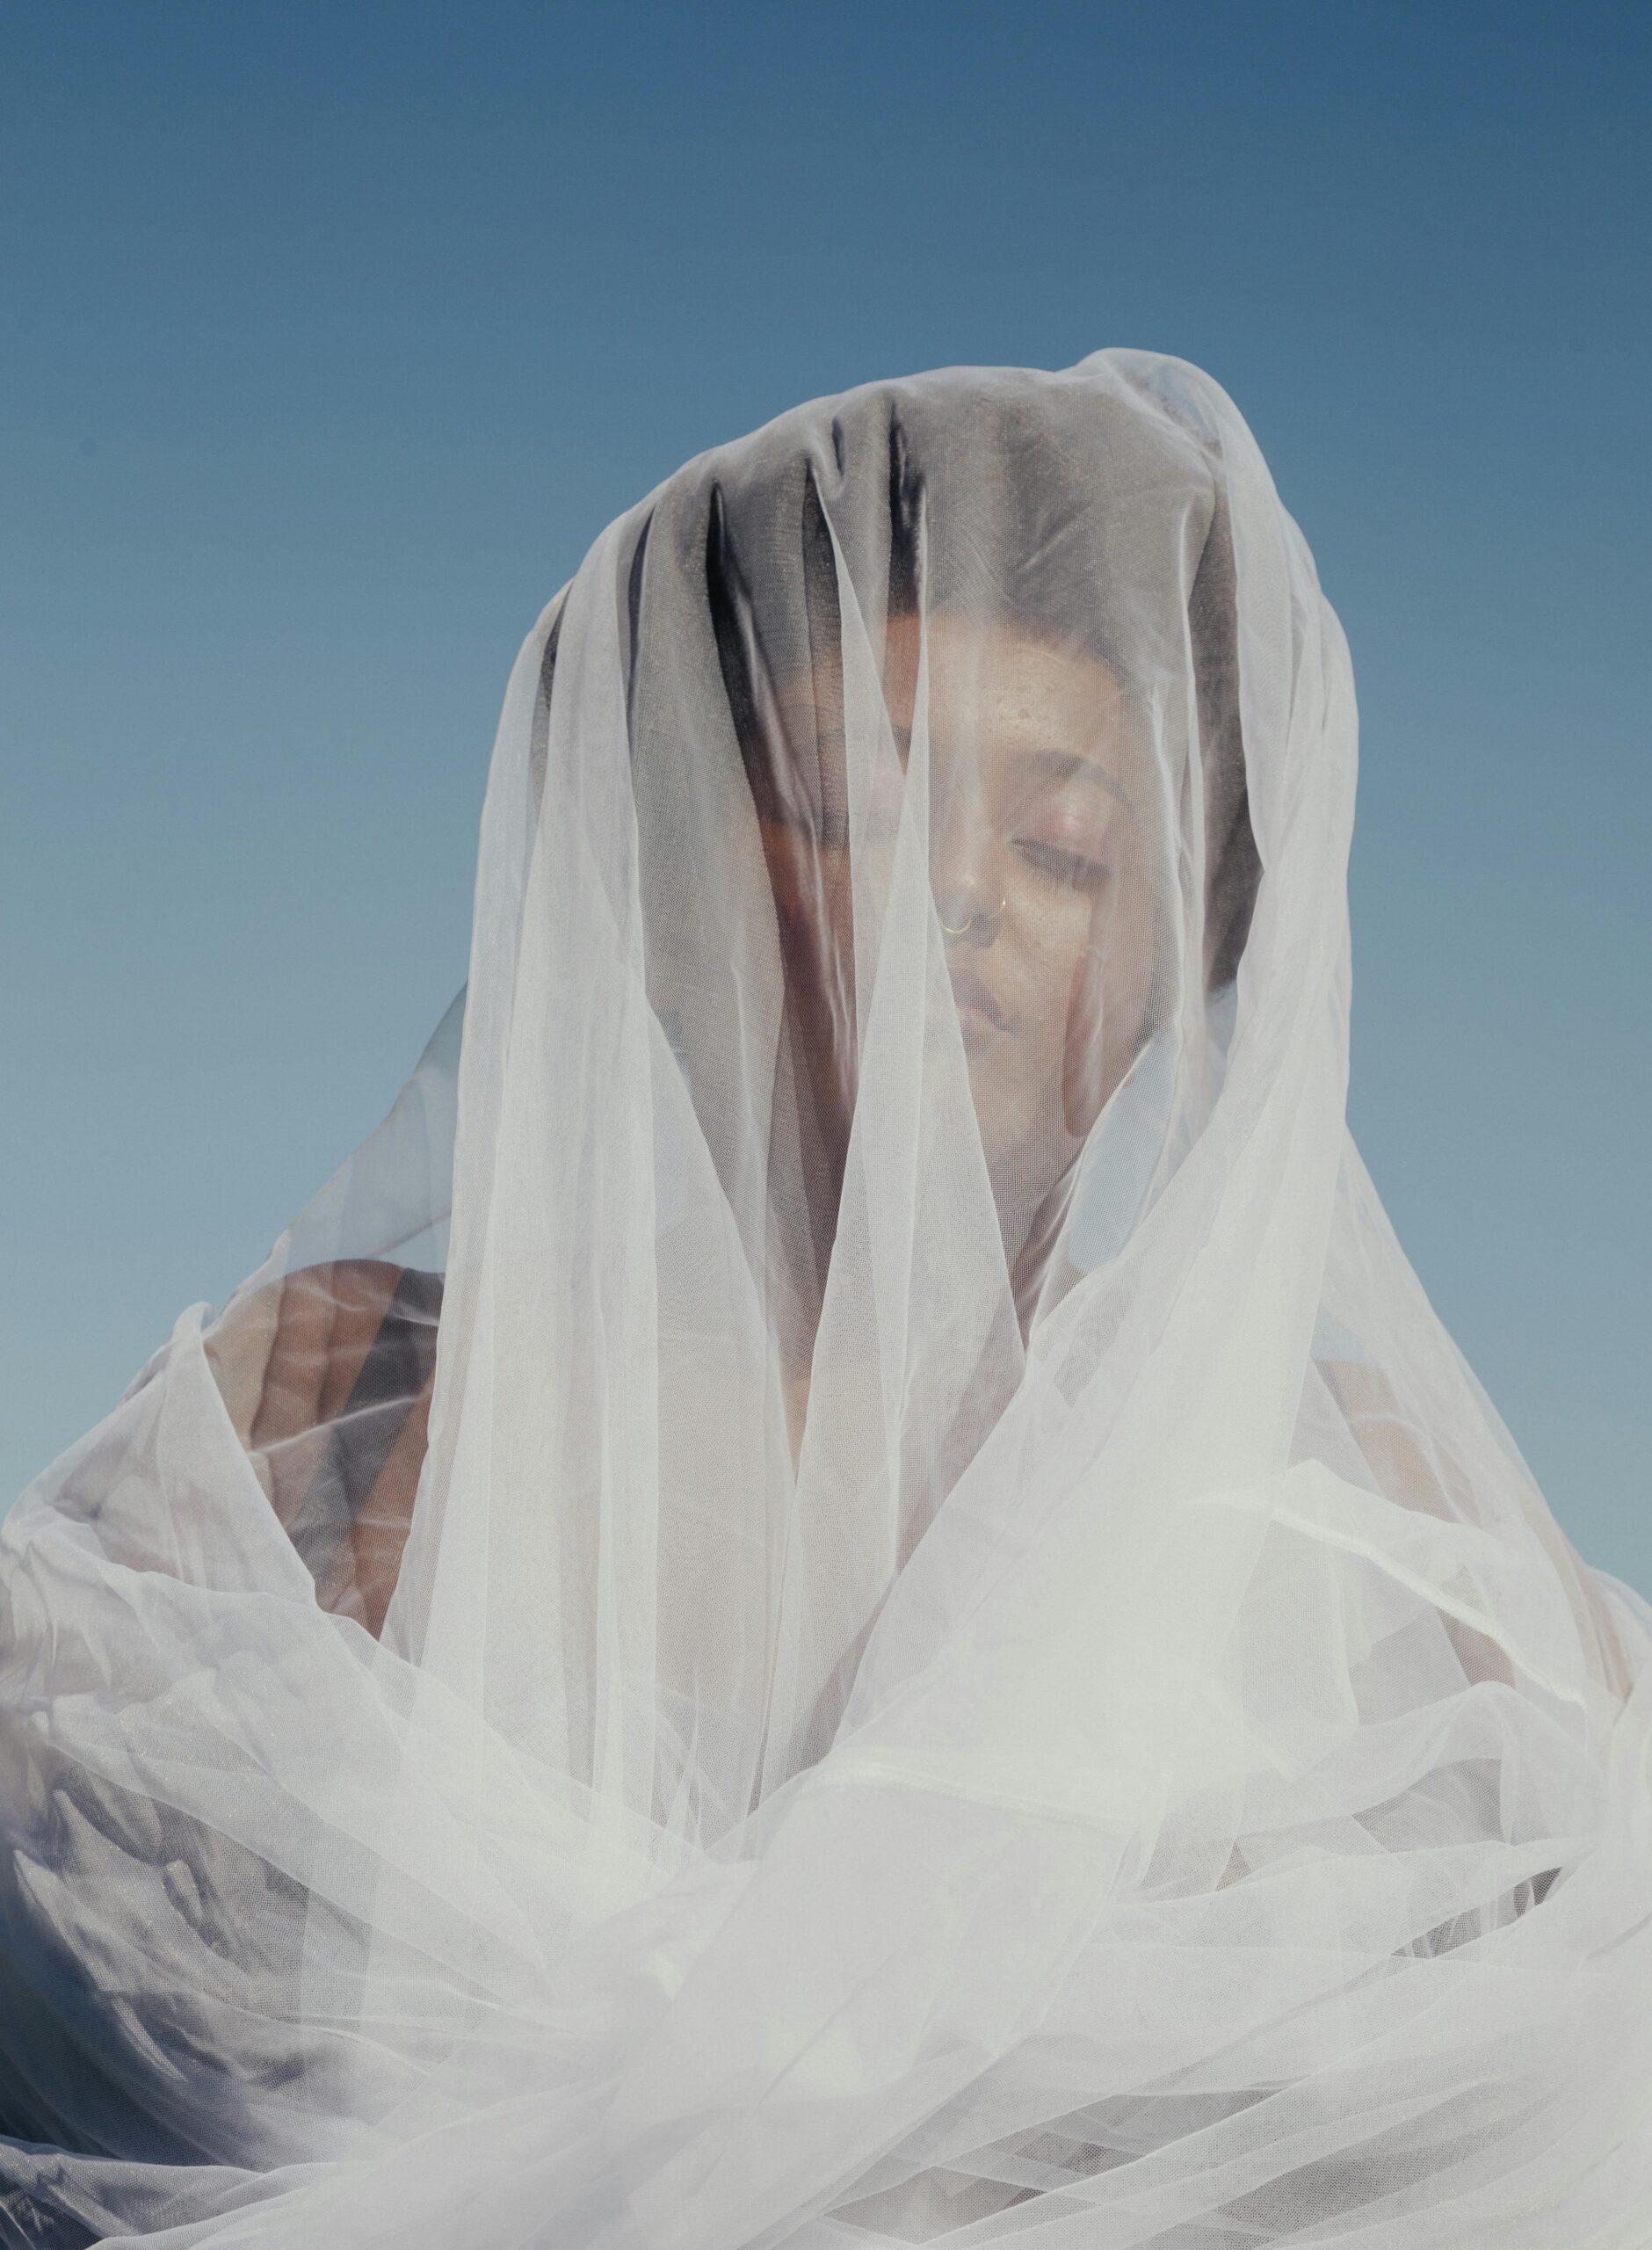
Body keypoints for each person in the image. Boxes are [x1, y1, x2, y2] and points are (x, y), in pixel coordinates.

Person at [1, 352, 1648, 2246]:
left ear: (1175, 952)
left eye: (1061, 843)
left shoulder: (1387, 1539)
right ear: (672, 878)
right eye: (855, 813)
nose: (958, 898)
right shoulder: (327, 1411)